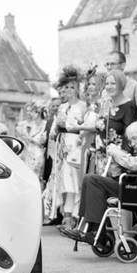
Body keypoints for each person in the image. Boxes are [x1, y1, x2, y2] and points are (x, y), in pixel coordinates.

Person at [60, 120, 137, 243]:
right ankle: (88, 228)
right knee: (90, 180)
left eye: (134, 139)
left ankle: (95, 232)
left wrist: (117, 153)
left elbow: (135, 164)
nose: (132, 144)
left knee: (92, 180)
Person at [46, 66, 86, 230]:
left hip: (75, 145)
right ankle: (64, 214)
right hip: (62, 147)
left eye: (72, 87)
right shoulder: (62, 107)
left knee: (73, 182)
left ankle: (72, 215)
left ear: (77, 88)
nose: (69, 90)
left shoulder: (82, 106)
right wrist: (55, 130)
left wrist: (68, 125)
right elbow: (55, 127)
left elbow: (84, 126)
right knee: (62, 182)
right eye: (67, 87)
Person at [96, 70, 137, 154]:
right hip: (101, 156)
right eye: (107, 83)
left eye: (113, 83)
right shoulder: (105, 104)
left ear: (121, 84)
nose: (109, 87)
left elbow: (129, 138)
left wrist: (122, 157)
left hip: (117, 158)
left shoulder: (129, 106)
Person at [104, 51, 137, 120]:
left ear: (123, 65)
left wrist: (130, 128)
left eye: (112, 64)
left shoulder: (136, 87)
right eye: (107, 64)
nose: (109, 67)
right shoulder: (106, 90)